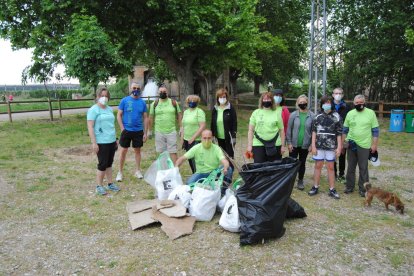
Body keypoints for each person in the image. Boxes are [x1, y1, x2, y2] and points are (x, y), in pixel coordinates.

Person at [343, 94, 379, 197]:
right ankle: (349, 187)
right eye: (357, 103)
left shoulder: (371, 113)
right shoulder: (350, 114)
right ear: (354, 103)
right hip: (351, 144)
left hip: (364, 144)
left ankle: (364, 189)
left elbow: (375, 130)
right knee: (350, 167)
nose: (359, 104)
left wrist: (374, 144)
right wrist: (343, 142)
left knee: (363, 168)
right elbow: (345, 130)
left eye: (361, 102)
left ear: (364, 103)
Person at [87, 88, 120, 195]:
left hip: (111, 140)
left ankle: (110, 184)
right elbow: (90, 127)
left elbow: (111, 125)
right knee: (102, 164)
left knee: (109, 163)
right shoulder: (93, 110)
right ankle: (99, 186)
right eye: (102, 95)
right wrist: (94, 142)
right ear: (97, 97)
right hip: (101, 141)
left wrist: (115, 139)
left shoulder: (109, 109)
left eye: (106, 96)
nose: (104, 98)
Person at [308, 96, 342, 199]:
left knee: (331, 167)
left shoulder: (337, 116)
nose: (327, 104)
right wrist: (313, 145)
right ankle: (315, 186)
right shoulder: (317, 116)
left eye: (329, 102)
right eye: (325, 103)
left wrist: (339, 147)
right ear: (321, 104)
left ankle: (332, 189)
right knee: (318, 166)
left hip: (331, 147)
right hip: (319, 146)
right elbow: (314, 131)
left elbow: (339, 133)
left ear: (332, 103)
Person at [116, 83, 148, 182]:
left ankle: (138, 171)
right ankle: (120, 172)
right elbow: (119, 115)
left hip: (138, 131)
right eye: (134, 88)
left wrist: (145, 132)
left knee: (137, 151)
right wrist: (122, 129)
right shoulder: (124, 100)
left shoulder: (142, 102)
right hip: (126, 130)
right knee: (123, 151)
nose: (136, 90)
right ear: (131, 88)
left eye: (138, 88)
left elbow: (146, 118)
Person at [247, 92, 286, 163]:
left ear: (272, 101)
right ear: (261, 101)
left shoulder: (277, 113)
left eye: (268, 99)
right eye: (264, 99)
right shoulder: (256, 113)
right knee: (259, 167)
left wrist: (283, 146)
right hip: (258, 143)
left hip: (275, 143)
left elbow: (282, 131)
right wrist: (249, 145)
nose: (266, 101)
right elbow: (250, 130)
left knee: (274, 168)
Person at [286, 95, 315, 190]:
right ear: (297, 103)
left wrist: (311, 144)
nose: (302, 104)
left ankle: (300, 180)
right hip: (293, 144)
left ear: (307, 102)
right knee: (292, 163)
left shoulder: (312, 116)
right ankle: (290, 181)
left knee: (302, 163)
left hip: (305, 145)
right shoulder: (293, 115)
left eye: (304, 102)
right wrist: (289, 142)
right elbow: (289, 129)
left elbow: (314, 131)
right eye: (300, 102)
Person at [149, 85, 182, 163]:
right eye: (161, 92)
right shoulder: (154, 104)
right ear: (158, 93)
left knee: (173, 152)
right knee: (161, 153)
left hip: (171, 131)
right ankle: (163, 171)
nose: (162, 93)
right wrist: (149, 130)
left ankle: (174, 171)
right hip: (159, 131)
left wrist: (181, 127)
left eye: (164, 92)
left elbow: (179, 114)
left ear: (167, 93)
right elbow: (151, 117)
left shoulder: (173, 102)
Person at [181, 95, 206, 173]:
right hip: (186, 139)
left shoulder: (199, 111)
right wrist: (182, 139)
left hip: (196, 140)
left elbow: (202, 126)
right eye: (190, 100)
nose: (192, 102)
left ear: (197, 102)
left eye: (194, 100)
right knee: (189, 158)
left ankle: (198, 176)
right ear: (187, 102)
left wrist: (193, 138)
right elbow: (183, 126)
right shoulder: (186, 112)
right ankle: (194, 174)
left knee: (196, 160)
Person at [211, 88, 237, 159]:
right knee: (222, 155)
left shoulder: (230, 108)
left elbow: (234, 122)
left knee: (230, 155)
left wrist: (234, 136)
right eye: (220, 97)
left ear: (227, 97)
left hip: (229, 137)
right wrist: (212, 135)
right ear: (217, 98)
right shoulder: (215, 108)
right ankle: (225, 168)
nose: (222, 98)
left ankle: (231, 168)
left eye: (224, 97)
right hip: (218, 137)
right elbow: (212, 123)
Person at [332, 87, 350, 182]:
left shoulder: (347, 107)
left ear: (342, 95)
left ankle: (341, 174)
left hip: (343, 134)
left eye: (340, 93)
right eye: (336, 93)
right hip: (332, 135)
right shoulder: (329, 105)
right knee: (333, 154)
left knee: (342, 153)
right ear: (333, 95)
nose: (338, 95)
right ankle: (333, 173)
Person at [272, 89, 290, 156]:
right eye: (276, 95)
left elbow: (287, 125)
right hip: (269, 136)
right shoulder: (268, 108)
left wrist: (284, 142)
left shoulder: (284, 109)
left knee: (277, 158)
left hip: (280, 138)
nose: (278, 97)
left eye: (280, 96)